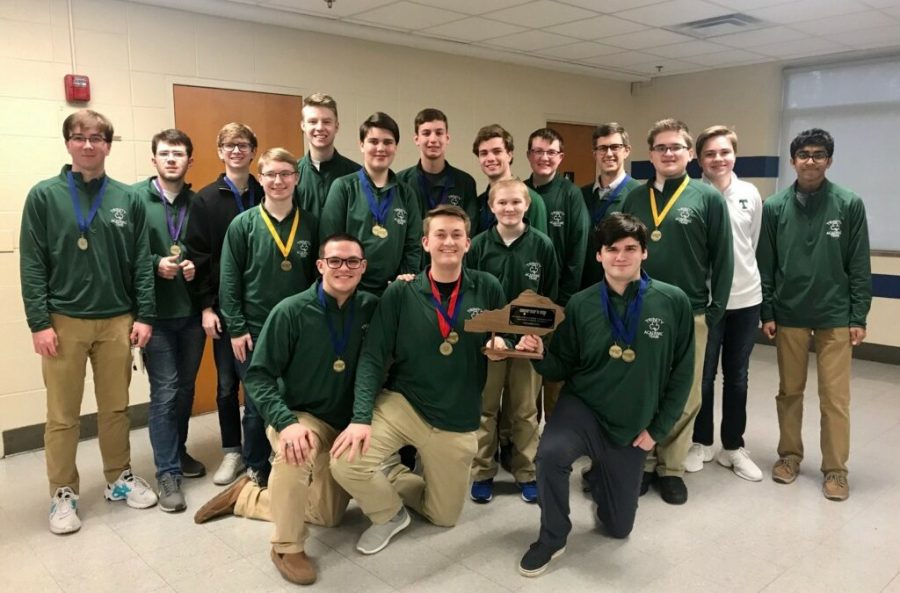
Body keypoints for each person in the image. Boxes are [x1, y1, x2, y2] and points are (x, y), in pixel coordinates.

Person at [193, 234, 378, 586]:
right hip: (299, 414)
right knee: (297, 450)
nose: (344, 268)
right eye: (335, 261)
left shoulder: (372, 307)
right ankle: (286, 546)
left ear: (363, 267)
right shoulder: (291, 311)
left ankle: (248, 496)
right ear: (320, 265)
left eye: (353, 261)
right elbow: (259, 377)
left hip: (344, 421)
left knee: (328, 515)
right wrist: (286, 423)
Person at [516, 213, 694, 577]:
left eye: (631, 248)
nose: (621, 257)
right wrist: (539, 356)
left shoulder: (672, 301)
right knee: (550, 455)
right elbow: (561, 367)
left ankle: (601, 476)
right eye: (612, 249)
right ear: (599, 255)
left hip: (632, 423)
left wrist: (657, 430)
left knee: (617, 528)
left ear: (644, 252)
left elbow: (683, 373)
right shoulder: (581, 304)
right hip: (584, 408)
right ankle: (552, 536)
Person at [329, 205, 508, 555]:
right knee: (345, 462)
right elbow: (372, 356)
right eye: (440, 234)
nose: (448, 242)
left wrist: (507, 343)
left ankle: (393, 474)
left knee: (445, 517)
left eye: (457, 235)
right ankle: (390, 514)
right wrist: (360, 418)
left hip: (457, 416)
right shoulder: (401, 292)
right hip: (404, 403)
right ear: (425, 242)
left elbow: (505, 335)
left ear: (468, 244)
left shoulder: (487, 287)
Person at [20, 109, 158, 534]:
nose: (88, 144)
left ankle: (118, 478)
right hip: (63, 323)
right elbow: (32, 263)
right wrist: (39, 322)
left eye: (97, 137)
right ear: (68, 143)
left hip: (117, 321)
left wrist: (145, 314)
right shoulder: (44, 196)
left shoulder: (127, 198)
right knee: (63, 415)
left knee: (116, 408)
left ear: (108, 144)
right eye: (79, 137)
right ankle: (63, 492)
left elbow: (141, 263)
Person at [619, 118, 733, 505]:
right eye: (661, 147)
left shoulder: (706, 197)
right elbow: (619, 250)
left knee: (686, 393)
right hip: (638, 307)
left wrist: (715, 309)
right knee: (643, 386)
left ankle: (671, 466)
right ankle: (644, 462)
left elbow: (723, 255)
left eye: (676, 147)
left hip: (691, 311)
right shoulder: (634, 198)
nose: (669, 153)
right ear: (650, 155)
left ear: (689, 154)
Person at [757, 128, 871, 501]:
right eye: (803, 154)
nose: (810, 160)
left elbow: (859, 264)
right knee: (789, 392)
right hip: (789, 313)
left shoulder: (848, 203)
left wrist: (858, 315)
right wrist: (768, 309)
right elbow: (767, 264)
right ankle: (789, 456)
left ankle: (836, 469)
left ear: (829, 161)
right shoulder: (774, 207)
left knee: (835, 398)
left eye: (818, 154)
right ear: (792, 160)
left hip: (835, 315)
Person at [219, 148, 319, 486]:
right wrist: (236, 328)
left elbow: (319, 279)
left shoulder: (311, 225)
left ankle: (294, 462)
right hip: (255, 331)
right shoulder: (243, 225)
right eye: (271, 175)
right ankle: (256, 465)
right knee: (259, 401)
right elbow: (229, 281)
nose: (278, 181)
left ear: (296, 178)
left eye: (285, 174)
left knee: (295, 396)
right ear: (260, 179)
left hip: (301, 330)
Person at [466, 179, 559, 504]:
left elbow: (550, 296)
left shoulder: (542, 245)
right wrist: (493, 338)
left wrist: (536, 337)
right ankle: (482, 472)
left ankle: (526, 472)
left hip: (527, 346)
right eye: (502, 203)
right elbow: (471, 297)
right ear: (491, 207)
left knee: (524, 412)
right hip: (490, 346)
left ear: (527, 205)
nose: (509, 209)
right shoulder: (477, 246)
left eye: (515, 203)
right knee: (485, 411)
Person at [184, 122, 264, 486]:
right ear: (220, 152)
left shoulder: (267, 192)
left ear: (252, 151)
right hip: (223, 308)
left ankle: (257, 454)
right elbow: (198, 257)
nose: (236, 150)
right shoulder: (206, 199)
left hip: (263, 307)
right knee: (226, 384)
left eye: (243, 144)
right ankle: (232, 450)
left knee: (261, 384)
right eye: (229, 145)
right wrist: (206, 306)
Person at [133, 128, 206, 512]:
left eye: (179, 153)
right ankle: (167, 473)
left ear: (189, 160)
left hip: (191, 314)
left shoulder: (199, 203)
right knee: (165, 391)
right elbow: (124, 255)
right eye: (165, 153)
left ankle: (178, 451)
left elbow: (206, 251)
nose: (172, 159)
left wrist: (195, 266)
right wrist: (151, 263)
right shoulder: (134, 200)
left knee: (186, 390)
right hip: (155, 317)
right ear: (154, 159)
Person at [686, 125, 763, 482]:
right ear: (699, 159)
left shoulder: (750, 194)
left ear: (734, 155)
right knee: (702, 377)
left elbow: (751, 243)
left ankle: (732, 446)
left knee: (737, 377)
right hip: (706, 301)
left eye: (724, 152)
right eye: (710, 154)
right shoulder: (693, 195)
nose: (718, 159)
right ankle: (701, 441)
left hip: (746, 300)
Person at [525, 127, 590, 421]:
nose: (544, 158)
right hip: (525, 300)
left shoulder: (571, 195)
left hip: (557, 300)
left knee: (554, 373)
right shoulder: (519, 192)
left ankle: (555, 434)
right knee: (525, 376)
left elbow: (578, 250)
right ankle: (522, 436)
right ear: (528, 155)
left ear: (560, 157)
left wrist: (564, 299)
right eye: (538, 151)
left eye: (551, 152)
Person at [320, 112, 422, 295]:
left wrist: (404, 279)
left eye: (388, 142)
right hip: (350, 291)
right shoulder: (343, 188)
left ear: (396, 147)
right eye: (373, 142)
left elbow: (413, 246)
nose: (381, 148)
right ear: (361, 145)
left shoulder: (406, 193)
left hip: (393, 291)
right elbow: (330, 241)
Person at [398, 108, 478, 267]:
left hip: (453, 268)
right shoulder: (401, 182)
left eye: (439, 133)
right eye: (426, 133)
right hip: (412, 269)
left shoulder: (465, 182)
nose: (433, 139)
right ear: (416, 139)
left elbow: (469, 232)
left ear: (447, 138)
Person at [580, 122, 642, 290]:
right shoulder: (581, 195)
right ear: (595, 154)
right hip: (584, 285)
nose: (608, 154)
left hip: (623, 287)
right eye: (602, 148)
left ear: (626, 150)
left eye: (615, 147)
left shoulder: (639, 194)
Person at [472, 124, 548, 236]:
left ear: (509, 155)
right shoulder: (479, 204)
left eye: (497, 151)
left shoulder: (532, 200)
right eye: (484, 153)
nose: (490, 158)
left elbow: (540, 249)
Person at [294, 93, 360, 218]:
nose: (319, 127)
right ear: (303, 126)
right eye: (313, 121)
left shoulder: (357, 174)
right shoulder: (291, 174)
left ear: (336, 126)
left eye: (326, 122)